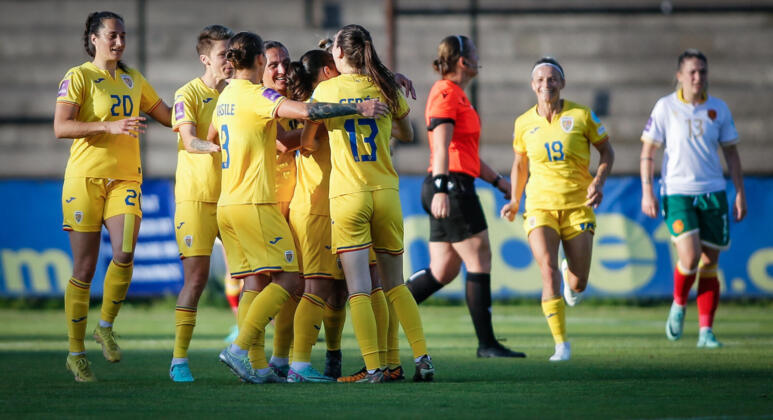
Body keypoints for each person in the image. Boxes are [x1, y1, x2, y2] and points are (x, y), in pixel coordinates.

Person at [209, 31, 388, 384]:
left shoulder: (228, 95)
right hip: (261, 202)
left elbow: (214, 137)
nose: (278, 69)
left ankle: (262, 365)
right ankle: (248, 350)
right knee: (294, 281)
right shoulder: (260, 98)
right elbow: (307, 116)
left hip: (234, 201)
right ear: (259, 61)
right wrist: (357, 106)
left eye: (283, 63)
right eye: (271, 61)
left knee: (260, 284)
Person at [302, 24, 434, 383]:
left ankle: (374, 367)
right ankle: (422, 358)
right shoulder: (386, 87)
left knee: (359, 286)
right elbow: (408, 133)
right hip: (387, 192)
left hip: (348, 196)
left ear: (339, 54)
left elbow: (309, 139)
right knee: (395, 284)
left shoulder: (326, 89)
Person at [54, 11, 172, 382]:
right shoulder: (78, 77)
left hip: (125, 180)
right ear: (93, 38)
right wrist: (109, 125)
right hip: (84, 180)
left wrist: (207, 96)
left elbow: (167, 116)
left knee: (124, 252)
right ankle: (76, 353)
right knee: (85, 269)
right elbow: (61, 126)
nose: (119, 42)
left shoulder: (133, 78)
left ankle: (104, 325)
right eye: (112, 36)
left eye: (123, 36)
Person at [405, 35, 525, 359]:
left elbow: (465, 153)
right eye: (473, 53)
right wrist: (443, 188)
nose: (478, 57)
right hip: (450, 186)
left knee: (443, 269)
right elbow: (441, 147)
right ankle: (487, 344)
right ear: (462, 61)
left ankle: (386, 309)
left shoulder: (457, 95)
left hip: (453, 182)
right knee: (479, 257)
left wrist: (499, 181)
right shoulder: (445, 93)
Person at [501, 57, 614, 362]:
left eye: (552, 79)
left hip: (578, 206)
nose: (546, 84)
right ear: (532, 85)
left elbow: (607, 151)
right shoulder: (523, 123)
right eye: (540, 79)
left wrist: (599, 182)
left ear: (562, 83)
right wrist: (514, 199)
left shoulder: (582, 115)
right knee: (547, 270)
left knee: (578, 283)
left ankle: (571, 274)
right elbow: (520, 164)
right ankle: (561, 345)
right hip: (540, 206)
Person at [640, 49, 746, 348]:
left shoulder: (718, 109)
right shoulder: (665, 107)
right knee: (689, 256)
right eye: (692, 72)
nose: (698, 77)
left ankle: (705, 332)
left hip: (713, 192)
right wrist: (648, 191)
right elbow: (648, 152)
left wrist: (739, 191)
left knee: (710, 263)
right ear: (679, 76)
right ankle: (678, 304)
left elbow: (732, 154)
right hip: (677, 192)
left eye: (702, 71)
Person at [168, 24, 234, 382]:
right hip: (196, 199)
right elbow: (190, 140)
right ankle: (179, 359)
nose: (229, 61)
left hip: (233, 199)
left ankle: (253, 360)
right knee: (195, 280)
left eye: (232, 55)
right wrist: (220, 148)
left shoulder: (237, 94)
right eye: (224, 55)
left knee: (252, 276)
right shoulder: (187, 94)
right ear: (205, 58)